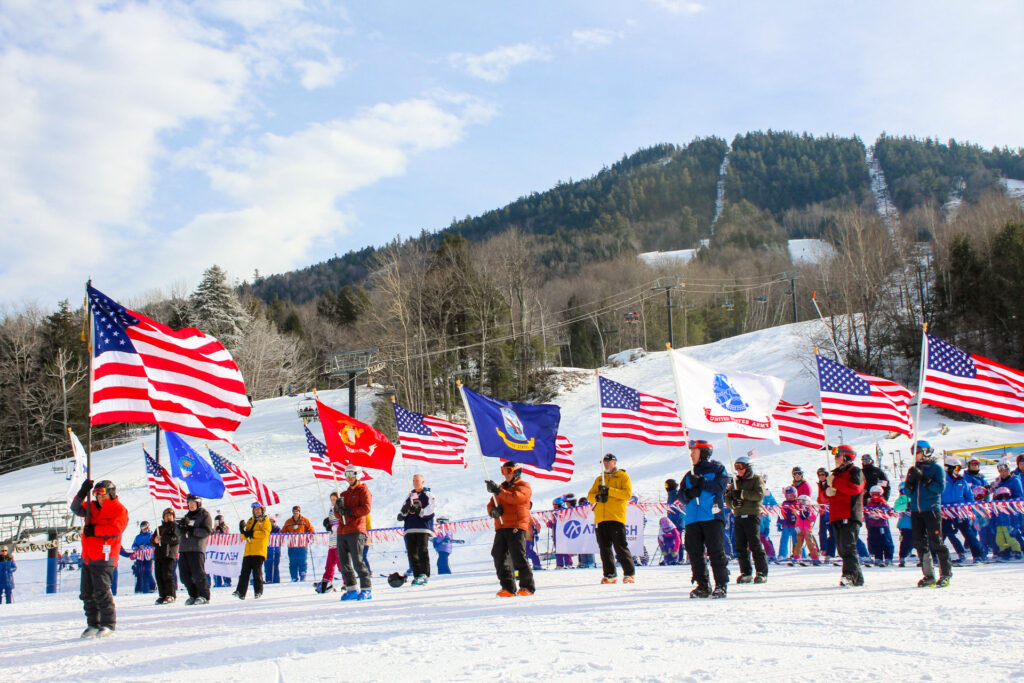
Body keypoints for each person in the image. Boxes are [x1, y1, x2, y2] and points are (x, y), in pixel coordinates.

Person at [70, 479, 129, 638]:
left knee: (101, 591)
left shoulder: (119, 510)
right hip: (89, 557)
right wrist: (83, 492)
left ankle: (108, 623)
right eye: (96, 495)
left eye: (102, 495)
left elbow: (115, 529)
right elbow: (75, 508)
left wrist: (95, 530)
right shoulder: (92, 508)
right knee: (87, 593)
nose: (100, 499)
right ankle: (93, 623)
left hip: (105, 557)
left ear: (111, 493)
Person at [680, 439, 730, 599]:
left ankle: (721, 585)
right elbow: (680, 494)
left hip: (711, 516)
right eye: (691, 452)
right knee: (694, 552)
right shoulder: (689, 473)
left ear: (704, 453)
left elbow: (720, 487)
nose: (691, 455)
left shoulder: (717, 469)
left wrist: (703, 483)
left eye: (694, 452)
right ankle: (702, 585)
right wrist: (688, 494)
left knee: (715, 551)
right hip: (693, 518)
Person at [905, 440, 951, 588]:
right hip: (916, 510)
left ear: (925, 452)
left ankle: (945, 574)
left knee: (936, 541)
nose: (915, 455)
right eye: (913, 452)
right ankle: (928, 575)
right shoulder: (913, 469)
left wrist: (924, 479)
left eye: (917, 452)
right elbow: (907, 491)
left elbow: (939, 489)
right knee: (919, 543)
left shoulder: (936, 469)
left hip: (931, 509)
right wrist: (911, 482)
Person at [485, 461, 535, 597]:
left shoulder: (524, 486)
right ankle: (507, 587)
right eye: (503, 471)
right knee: (498, 554)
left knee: (518, 555)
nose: (505, 475)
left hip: (516, 525)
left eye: (508, 471)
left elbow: (515, 498)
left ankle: (527, 586)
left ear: (517, 472)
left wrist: (499, 491)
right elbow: (491, 503)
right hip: (501, 525)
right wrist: (493, 511)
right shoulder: (502, 488)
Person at [587, 453, 635, 584]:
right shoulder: (599, 479)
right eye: (605, 462)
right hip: (601, 517)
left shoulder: (622, 476)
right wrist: (597, 497)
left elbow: (627, 494)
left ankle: (629, 573)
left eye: (609, 461)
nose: (607, 464)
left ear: (615, 462)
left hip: (615, 516)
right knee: (604, 548)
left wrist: (610, 491)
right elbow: (590, 496)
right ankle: (610, 574)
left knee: (620, 546)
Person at [825, 445, 866, 587]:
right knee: (842, 549)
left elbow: (855, 488)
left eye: (838, 455)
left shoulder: (855, 471)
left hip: (849, 514)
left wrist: (835, 482)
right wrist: (826, 490)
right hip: (836, 515)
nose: (835, 459)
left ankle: (849, 576)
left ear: (847, 457)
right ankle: (858, 578)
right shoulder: (835, 474)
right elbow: (825, 497)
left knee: (848, 547)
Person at [725, 455, 768, 583]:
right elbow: (728, 497)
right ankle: (746, 572)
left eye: (741, 468)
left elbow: (759, 495)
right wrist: (733, 504)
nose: (738, 471)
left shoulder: (756, 479)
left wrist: (743, 494)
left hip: (752, 515)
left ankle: (761, 572)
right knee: (740, 545)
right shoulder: (736, 481)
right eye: (736, 468)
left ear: (748, 467)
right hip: (739, 515)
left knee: (754, 543)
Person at [335, 467, 373, 601]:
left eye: (352, 474)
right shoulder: (344, 494)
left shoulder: (363, 491)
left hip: (356, 530)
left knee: (358, 561)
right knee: (343, 562)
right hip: (342, 531)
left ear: (358, 475)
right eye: (347, 474)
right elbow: (338, 514)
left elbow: (366, 508)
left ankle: (366, 589)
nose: (349, 477)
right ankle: (351, 588)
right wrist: (338, 509)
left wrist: (349, 511)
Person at [941, 455, 986, 564]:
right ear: (949, 468)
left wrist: (969, 509)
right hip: (945, 512)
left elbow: (969, 496)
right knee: (942, 533)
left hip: (960, 511)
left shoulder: (962, 480)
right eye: (956, 468)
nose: (958, 471)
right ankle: (935, 556)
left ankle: (978, 555)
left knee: (968, 532)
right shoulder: (942, 480)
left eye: (959, 468)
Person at [398, 474, 437, 586]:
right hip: (410, 527)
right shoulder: (409, 496)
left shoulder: (428, 495)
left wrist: (420, 511)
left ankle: (424, 574)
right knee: (412, 552)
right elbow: (403, 512)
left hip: (422, 527)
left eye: (417, 480)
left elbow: (431, 509)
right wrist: (403, 512)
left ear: (423, 482)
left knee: (422, 550)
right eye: (414, 480)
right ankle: (416, 574)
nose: (415, 482)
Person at [177, 494, 214, 605]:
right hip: (184, 549)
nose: (191, 505)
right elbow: (178, 533)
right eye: (189, 503)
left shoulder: (204, 515)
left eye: (193, 503)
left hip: (196, 548)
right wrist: (181, 528)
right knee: (184, 575)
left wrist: (193, 530)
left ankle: (204, 595)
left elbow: (207, 531)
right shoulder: (186, 516)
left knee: (198, 573)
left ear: (198, 504)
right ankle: (193, 594)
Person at [234, 501, 272, 600]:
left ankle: (258, 591)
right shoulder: (250, 521)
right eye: (255, 509)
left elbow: (264, 534)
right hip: (249, 551)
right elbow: (246, 536)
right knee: (244, 572)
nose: (257, 511)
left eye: (258, 509)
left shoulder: (265, 521)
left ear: (262, 510)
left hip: (258, 551)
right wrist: (243, 531)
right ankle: (240, 592)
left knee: (257, 572)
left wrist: (252, 533)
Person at [150, 508, 180, 604]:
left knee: (167, 574)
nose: (168, 517)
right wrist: (155, 540)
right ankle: (162, 595)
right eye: (166, 516)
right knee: (159, 575)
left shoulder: (175, 527)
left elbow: (175, 539)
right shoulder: (159, 529)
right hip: (159, 554)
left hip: (169, 554)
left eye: (170, 516)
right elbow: (152, 540)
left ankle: (170, 594)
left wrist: (162, 539)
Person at [281, 505, 314, 582]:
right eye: (294, 512)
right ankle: (294, 577)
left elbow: (311, 529)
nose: (296, 513)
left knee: (302, 560)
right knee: (293, 561)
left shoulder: (305, 521)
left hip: (302, 544)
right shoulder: (288, 522)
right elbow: (283, 531)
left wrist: (309, 537)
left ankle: (303, 575)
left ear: (299, 512)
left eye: (297, 512)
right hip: (292, 545)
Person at [317, 492, 341, 593]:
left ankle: (347, 582)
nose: (332, 501)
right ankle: (326, 582)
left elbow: (342, 524)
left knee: (341, 564)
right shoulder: (331, 510)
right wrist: (327, 523)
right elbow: (331, 524)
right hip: (332, 541)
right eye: (331, 500)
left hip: (339, 540)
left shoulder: (340, 509)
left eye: (334, 499)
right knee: (329, 564)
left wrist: (332, 527)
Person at [992, 487, 1024, 559]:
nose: (1003, 498)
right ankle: (1004, 551)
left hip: (1009, 525)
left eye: (1005, 495)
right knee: (999, 540)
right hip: (999, 525)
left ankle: (1017, 551)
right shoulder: (995, 505)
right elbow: (993, 516)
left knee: (1011, 539)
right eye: (1001, 496)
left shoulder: (1011, 505)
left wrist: (1016, 526)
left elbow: (1015, 516)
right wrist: (992, 526)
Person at [864, 486, 892, 566]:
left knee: (886, 541)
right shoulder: (869, 504)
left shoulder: (883, 503)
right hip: (873, 526)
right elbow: (865, 513)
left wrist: (883, 513)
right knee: (875, 542)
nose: (875, 496)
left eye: (877, 494)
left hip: (883, 526)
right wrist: (869, 515)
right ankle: (878, 557)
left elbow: (889, 512)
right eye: (874, 494)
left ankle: (888, 557)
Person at [791, 494, 821, 565]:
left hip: (807, 530)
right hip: (800, 529)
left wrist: (807, 516)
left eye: (803, 501)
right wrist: (796, 527)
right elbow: (797, 519)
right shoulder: (799, 509)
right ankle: (796, 557)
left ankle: (815, 557)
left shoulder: (810, 509)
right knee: (798, 544)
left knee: (810, 543)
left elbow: (813, 518)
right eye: (800, 501)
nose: (802, 503)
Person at [815, 467, 835, 560]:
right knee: (822, 531)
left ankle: (831, 551)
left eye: (823, 475)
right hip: (822, 510)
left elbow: (830, 496)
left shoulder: (829, 484)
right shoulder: (820, 484)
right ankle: (824, 549)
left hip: (829, 510)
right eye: (820, 475)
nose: (821, 477)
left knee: (831, 531)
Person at [130, 521, 155, 594]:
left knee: (147, 571)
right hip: (140, 557)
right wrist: (137, 547)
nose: (145, 529)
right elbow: (133, 546)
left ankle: (151, 586)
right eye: (143, 528)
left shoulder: (150, 535)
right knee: (140, 572)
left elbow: (153, 545)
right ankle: (140, 588)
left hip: (148, 556)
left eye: (146, 527)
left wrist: (145, 547)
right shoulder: (138, 537)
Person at [548, 498, 573, 568]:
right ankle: (559, 564)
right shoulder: (554, 513)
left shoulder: (565, 512)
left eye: (556, 506)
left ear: (560, 505)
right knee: (558, 550)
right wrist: (550, 524)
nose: (554, 507)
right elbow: (553, 523)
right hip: (556, 534)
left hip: (564, 534)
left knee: (565, 549)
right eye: (554, 506)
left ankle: (568, 563)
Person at [893, 484, 914, 566]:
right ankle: (903, 556)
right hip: (905, 525)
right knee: (905, 541)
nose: (905, 493)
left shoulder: (914, 498)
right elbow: (896, 508)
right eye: (903, 491)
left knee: (917, 540)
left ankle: (916, 554)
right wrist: (906, 506)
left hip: (915, 524)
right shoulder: (900, 500)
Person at [778, 486, 799, 559]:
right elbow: (781, 513)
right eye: (787, 495)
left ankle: (799, 554)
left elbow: (800, 514)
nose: (789, 497)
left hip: (795, 525)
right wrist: (779, 523)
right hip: (786, 525)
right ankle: (782, 555)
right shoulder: (784, 503)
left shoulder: (797, 503)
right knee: (784, 540)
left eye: (791, 495)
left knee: (797, 540)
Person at [266, 514, 282, 583]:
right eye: (270, 521)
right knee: (268, 565)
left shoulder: (277, 529)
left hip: (276, 549)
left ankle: (276, 579)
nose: (272, 523)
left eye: (273, 521)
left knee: (276, 565)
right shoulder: (267, 529)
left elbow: (279, 538)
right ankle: (268, 579)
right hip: (268, 549)